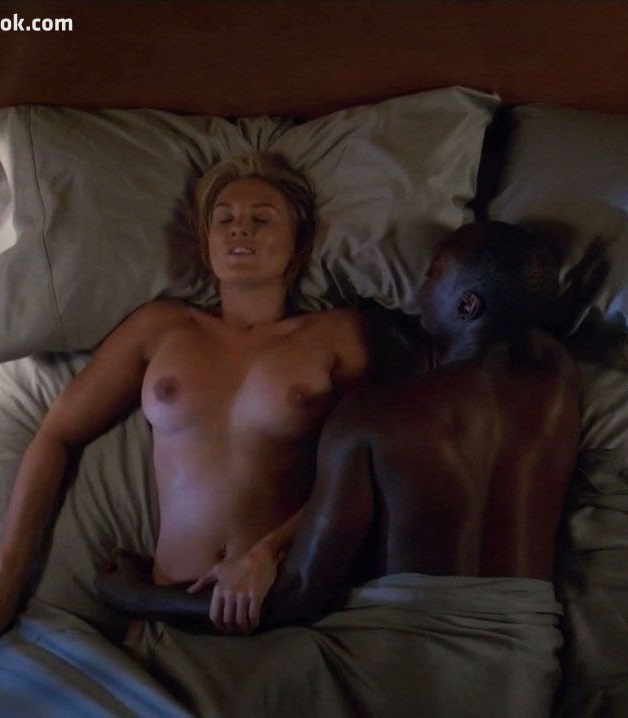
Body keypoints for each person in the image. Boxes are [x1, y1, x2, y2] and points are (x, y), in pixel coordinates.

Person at [0, 153, 369, 661]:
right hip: (166, 609)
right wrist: (8, 571)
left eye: (262, 219)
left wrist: (267, 553)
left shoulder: (337, 336)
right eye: (225, 220)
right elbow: (56, 434)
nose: (241, 229)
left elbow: (367, 470)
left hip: (287, 600)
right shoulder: (161, 328)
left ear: (298, 244)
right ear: (206, 243)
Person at [95, 220, 580, 637]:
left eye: (433, 274)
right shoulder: (558, 384)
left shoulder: (370, 419)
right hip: (528, 644)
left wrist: (134, 595)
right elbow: (516, 311)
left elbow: (299, 597)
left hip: (407, 643)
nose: (418, 290)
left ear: (468, 306)